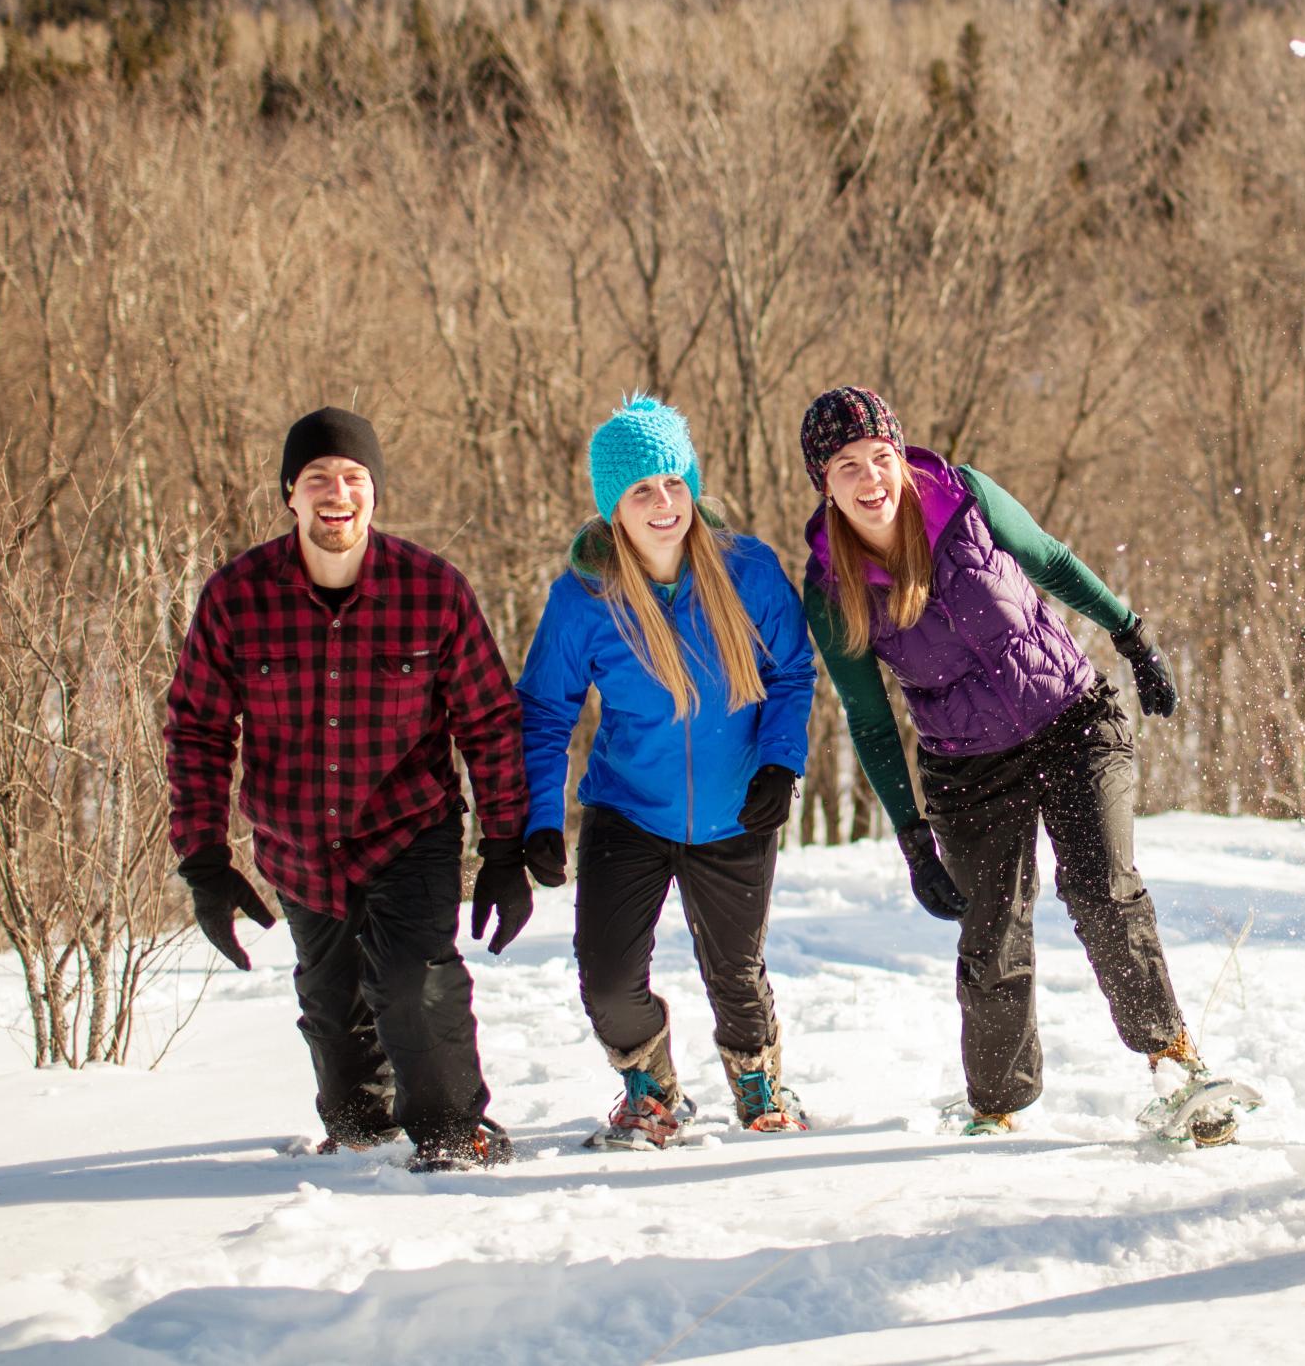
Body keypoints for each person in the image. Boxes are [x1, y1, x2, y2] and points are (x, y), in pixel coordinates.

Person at [796, 385, 1247, 1143]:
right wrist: (911, 838)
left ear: (900, 454)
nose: (871, 478)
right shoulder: (829, 587)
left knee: (1103, 892)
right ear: (825, 484)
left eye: (881, 456)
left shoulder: (966, 498)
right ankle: (995, 1106)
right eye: (847, 466)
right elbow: (870, 721)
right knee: (992, 934)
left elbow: (1053, 563)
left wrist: (1131, 636)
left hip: (1072, 719)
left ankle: (1176, 1066)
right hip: (967, 768)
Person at [165, 407, 533, 1172]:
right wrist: (203, 857)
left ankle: (452, 1132)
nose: (338, 493)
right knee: (335, 1021)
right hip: (298, 847)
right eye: (318, 479)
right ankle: (361, 1134)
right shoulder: (237, 597)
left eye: (354, 478)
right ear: (290, 496)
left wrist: (505, 846)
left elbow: (491, 723)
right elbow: (198, 727)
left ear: (376, 494)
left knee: (412, 982)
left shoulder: (433, 590)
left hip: (409, 828)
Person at [518, 397, 820, 1149]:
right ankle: (650, 1088)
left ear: (692, 485)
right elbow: (545, 715)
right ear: (612, 507)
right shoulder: (582, 600)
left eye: (674, 484)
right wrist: (540, 819)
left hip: (737, 806)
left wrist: (781, 762)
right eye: (641, 491)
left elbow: (792, 674)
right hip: (629, 810)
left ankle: (757, 1077)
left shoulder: (748, 570)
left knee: (736, 974)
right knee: (607, 979)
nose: (663, 504)